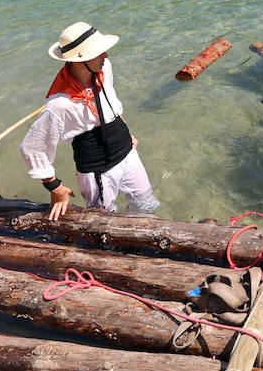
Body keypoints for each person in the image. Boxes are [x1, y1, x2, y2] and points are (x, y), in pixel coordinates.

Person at [20, 21, 160, 221]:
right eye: (99, 53)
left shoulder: (104, 68)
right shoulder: (59, 104)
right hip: (97, 170)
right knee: (105, 219)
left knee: (145, 204)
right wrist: (55, 187)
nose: (106, 56)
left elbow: (110, 101)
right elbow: (32, 147)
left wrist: (126, 133)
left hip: (126, 150)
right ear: (79, 60)